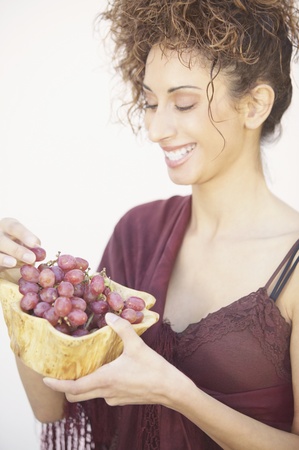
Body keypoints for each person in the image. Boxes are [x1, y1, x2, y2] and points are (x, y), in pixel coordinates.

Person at [1, 0, 299, 448]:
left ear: (255, 105)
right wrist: (17, 292)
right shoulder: (137, 233)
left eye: (183, 103)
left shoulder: (292, 266)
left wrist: (176, 394)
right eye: (150, 102)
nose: (157, 128)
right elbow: (52, 407)